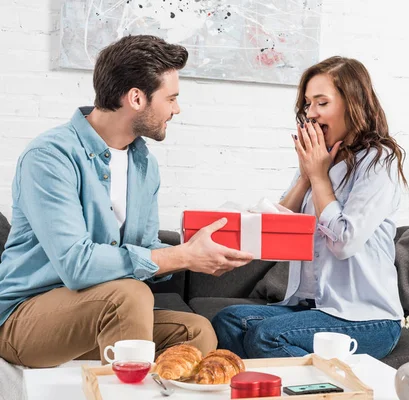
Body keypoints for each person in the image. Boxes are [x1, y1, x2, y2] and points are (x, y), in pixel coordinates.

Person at [0, 35, 254, 368]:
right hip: (24, 320)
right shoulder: (50, 157)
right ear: (136, 98)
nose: (176, 109)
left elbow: (145, 247)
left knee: (195, 331)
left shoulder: (143, 163)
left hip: (100, 312)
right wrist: (177, 254)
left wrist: (194, 256)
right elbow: (77, 266)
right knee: (129, 295)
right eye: (171, 98)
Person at [212, 56, 408, 359]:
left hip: (367, 318)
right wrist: (306, 177)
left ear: (352, 103)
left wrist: (318, 177)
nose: (311, 114)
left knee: (267, 337)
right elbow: (277, 235)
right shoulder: (319, 159)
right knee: (229, 321)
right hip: (312, 308)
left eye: (321, 103)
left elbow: (344, 243)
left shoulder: (378, 162)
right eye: (307, 104)